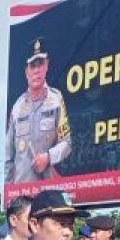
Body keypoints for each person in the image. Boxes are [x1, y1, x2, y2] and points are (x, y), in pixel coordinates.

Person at [4, 37, 72, 184]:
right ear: (26, 71)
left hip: (49, 191)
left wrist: (48, 157)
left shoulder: (56, 99)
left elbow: (67, 144)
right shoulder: (17, 107)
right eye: (32, 66)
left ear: (47, 65)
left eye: (40, 63)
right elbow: (8, 156)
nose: (36, 70)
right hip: (22, 194)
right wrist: (8, 189)